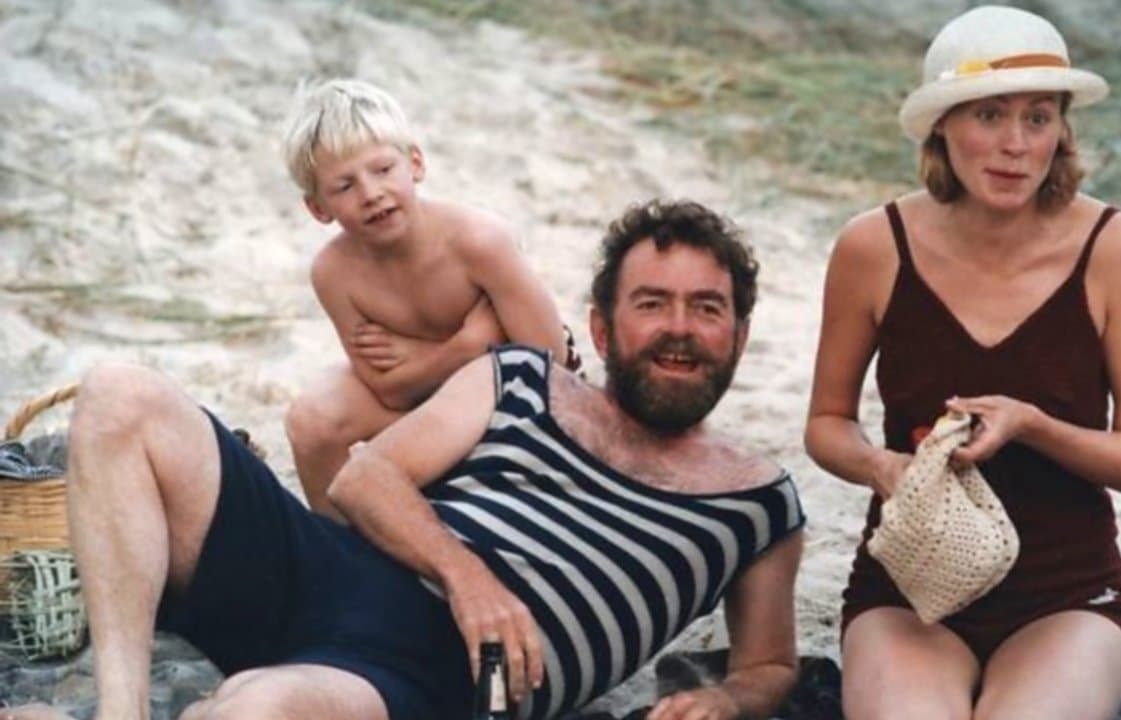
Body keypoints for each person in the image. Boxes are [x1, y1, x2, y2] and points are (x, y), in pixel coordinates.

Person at [55, 199, 805, 720]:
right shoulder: (522, 377)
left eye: (707, 308)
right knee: (121, 395)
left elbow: (769, 664)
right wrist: (467, 577)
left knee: (260, 709)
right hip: (331, 570)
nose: (679, 328)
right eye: (651, 303)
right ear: (602, 330)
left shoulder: (757, 503)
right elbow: (363, 478)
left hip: (439, 673)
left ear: (739, 336)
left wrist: (729, 699)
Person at [804, 6, 1121, 720]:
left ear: (1062, 129)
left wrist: (1032, 425)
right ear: (942, 123)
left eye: (1038, 117)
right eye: (989, 114)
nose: (1015, 145)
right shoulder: (872, 246)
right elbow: (826, 423)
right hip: (909, 591)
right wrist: (884, 468)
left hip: (1066, 597)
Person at [279, 78, 572, 519]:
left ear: (415, 163)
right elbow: (388, 390)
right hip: (417, 409)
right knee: (311, 420)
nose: (371, 194)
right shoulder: (334, 273)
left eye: (383, 169)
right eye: (344, 186)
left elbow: (552, 361)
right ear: (319, 209)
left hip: (506, 414)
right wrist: (464, 347)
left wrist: (416, 359)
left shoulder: (478, 242)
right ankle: (336, 542)